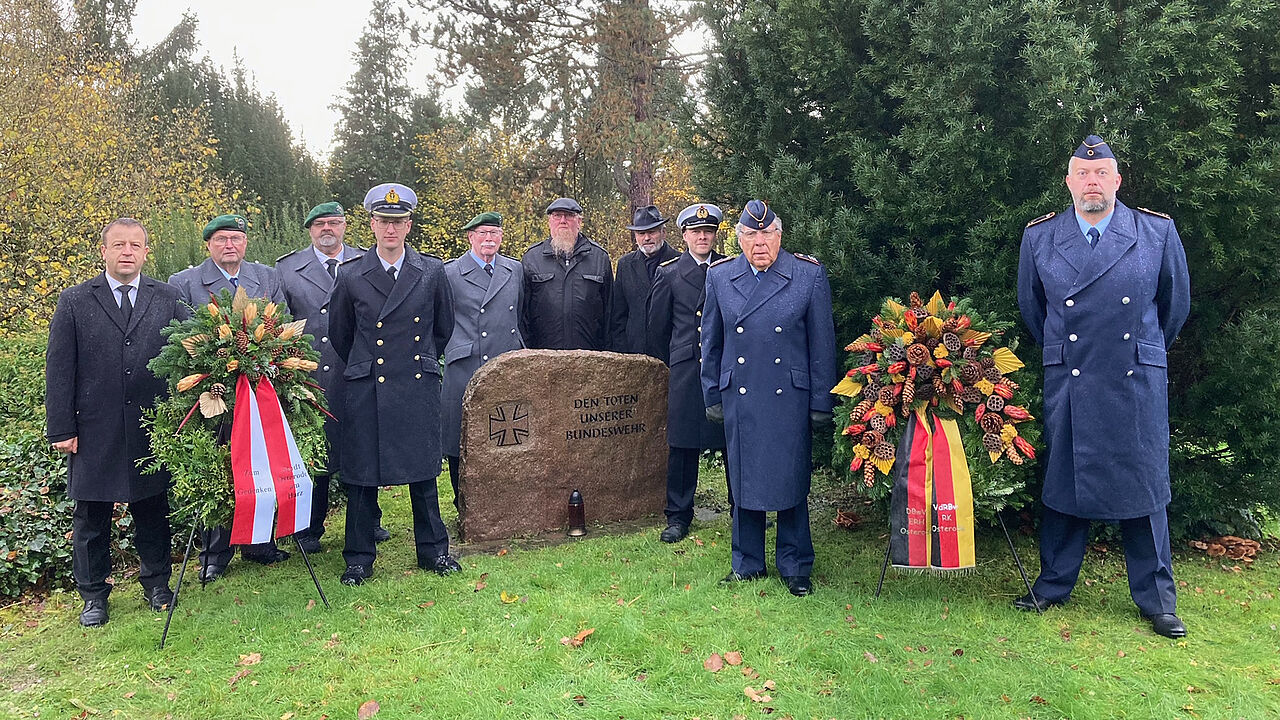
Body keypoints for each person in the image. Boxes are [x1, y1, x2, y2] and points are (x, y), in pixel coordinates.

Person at [1016, 135, 1191, 638]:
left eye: (1101, 173)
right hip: (1073, 373)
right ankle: (1053, 584)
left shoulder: (1156, 232)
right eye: (1081, 173)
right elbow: (1035, 310)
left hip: (1134, 376)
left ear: (1117, 180)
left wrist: (1140, 348)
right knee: (1067, 479)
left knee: (1143, 484)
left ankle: (1157, 599)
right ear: (1069, 181)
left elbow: (1173, 308)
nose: (1092, 182)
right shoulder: (1040, 238)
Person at [46, 218, 188, 626]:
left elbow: (186, 354)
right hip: (93, 427)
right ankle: (93, 596)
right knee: (91, 515)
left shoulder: (168, 297)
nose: (128, 251)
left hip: (150, 422)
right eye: (119, 245)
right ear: (104, 251)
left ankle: (157, 583)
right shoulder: (74, 300)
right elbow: (59, 368)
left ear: (146, 252)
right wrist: (62, 428)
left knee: (152, 508)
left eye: (136, 245)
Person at [700, 200, 836, 597]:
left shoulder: (807, 275)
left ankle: (796, 565)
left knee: (791, 478)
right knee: (743, 479)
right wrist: (712, 390)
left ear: (780, 236)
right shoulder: (721, 277)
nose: (760, 243)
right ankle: (747, 563)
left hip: (788, 396)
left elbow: (822, 344)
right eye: (751, 235)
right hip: (740, 392)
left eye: (767, 234)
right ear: (739, 239)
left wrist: (821, 401)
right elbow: (711, 341)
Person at [328, 182, 458, 585]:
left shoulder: (431, 270)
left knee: (422, 472)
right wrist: (367, 364)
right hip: (368, 386)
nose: (390, 229)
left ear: (408, 226)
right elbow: (340, 334)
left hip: (416, 381)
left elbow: (443, 326)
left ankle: (433, 551)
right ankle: (359, 558)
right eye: (384, 221)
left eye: (398, 222)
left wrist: (419, 361)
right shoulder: (351, 275)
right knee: (363, 477)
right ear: (371, 225)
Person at [168, 213, 288, 581]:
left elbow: (281, 324)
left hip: (259, 388)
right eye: (221, 239)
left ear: (245, 243)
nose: (229, 245)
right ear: (208, 245)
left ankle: (259, 543)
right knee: (220, 466)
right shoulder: (184, 282)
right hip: (212, 392)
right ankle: (215, 553)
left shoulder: (267, 276)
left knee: (259, 463)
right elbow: (178, 338)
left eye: (236, 238)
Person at [275, 201, 389, 553]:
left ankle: (370, 519)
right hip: (311, 375)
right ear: (309, 229)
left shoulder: (366, 262)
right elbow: (278, 322)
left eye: (335, 223)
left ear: (345, 226)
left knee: (363, 449)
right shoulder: (288, 269)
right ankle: (310, 527)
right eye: (320, 224)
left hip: (358, 371)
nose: (328, 229)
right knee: (317, 456)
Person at [646, 203, 731, 543]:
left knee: (731, 441)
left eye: (708, 232)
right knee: (682, 444)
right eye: (696, 232)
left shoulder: (729, 268)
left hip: (723, 366)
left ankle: (743, 508)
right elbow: (656, 330)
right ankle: (679, 516)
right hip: (685, 368)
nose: (702, 237)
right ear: (684, 236)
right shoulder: (668, 273)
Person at [441, 211, 525, 510]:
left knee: (509, 431)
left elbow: (520, 314)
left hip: (506, 361)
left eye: (494, 233)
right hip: (466, 362)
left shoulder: (514, 269)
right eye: (482, 233)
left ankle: (506, 499)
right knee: (458, 435)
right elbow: (440, 321)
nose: (488, 239)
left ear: (501, 237)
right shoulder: (450, 272)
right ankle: (462, 500)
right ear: (470, 237)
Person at [520, 197, 613, 350]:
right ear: (549, 221)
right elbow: (523, 316)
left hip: (590, 356)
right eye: (557, 216)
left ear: (579, 222)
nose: (563, 221)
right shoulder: (532, 258)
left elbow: (610, 313)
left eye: (569, 215)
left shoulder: (599, 257)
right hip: (543, 357)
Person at [611, 204, 678, 353]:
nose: (646, 238)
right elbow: (618, 316)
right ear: (635, 237)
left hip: (671, 356)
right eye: (641, 233)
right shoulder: (625, 265)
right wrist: (622, 353)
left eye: (652, 232)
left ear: (663, 232)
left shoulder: (680, 262)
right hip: (634, 356)